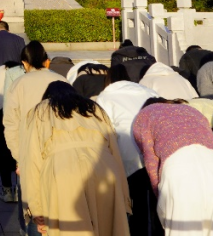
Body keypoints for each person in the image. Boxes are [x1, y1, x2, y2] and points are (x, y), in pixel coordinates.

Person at [20, 81, 131, 236]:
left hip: (62, 172)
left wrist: (36, 209)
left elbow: (32, 162)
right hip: (104, 168)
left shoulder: (39, 111)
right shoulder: (94, 108)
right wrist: (124, 198)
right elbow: (115, 152)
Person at [132, 100, 213, 236]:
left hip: (180, 171)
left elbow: (151, 161)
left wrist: (159, 197)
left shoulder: (144, 115)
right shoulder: (191, 110)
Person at [96, 78, 164, 236]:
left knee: (136, 206)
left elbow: (103, 132)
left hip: (127, 157)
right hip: (156, 153)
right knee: (157, 206)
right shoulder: (149, 92)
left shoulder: (105, 98)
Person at [3, 42, 66, 175]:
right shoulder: (61, 80)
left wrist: (19, 156)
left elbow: (11, 123)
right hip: (59, 152)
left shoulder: (18, 84)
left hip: (29, 151)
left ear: (25, 63)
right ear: (46, 61)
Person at [0, 60, 23, 203]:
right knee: (20, 154)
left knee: (3, 154)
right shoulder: (22, 72)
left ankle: (7, 190)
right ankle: (20, 190)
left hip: (0, 116)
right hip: (20, 114)